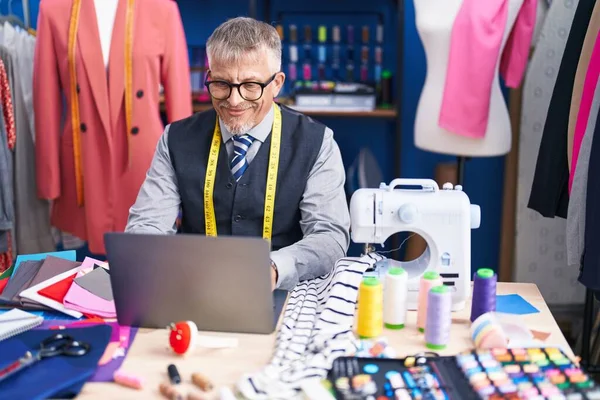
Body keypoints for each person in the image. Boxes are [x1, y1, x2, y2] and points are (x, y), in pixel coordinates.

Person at [125, 17, 350, 291]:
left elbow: (330, 237)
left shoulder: (317, 143)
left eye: (251, 86)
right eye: (221, 83)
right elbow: (146, 226)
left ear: (277, 84)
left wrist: (274, 269)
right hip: (194, 286)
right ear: (208, 77)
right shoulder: (176, 139)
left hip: (283, 291)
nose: (234, 100)